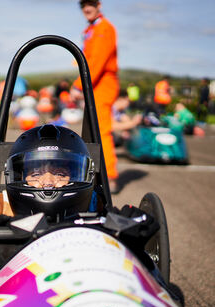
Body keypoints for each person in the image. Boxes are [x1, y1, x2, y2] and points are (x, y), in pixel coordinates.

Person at [0, 124, 97, 223]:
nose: (48, 183)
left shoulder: (96, 205)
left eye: (60, 174)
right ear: (20, 177)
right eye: (36, 175)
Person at [70, 0, 120, 193]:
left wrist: (78, 85)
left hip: (102, 82)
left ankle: (110, 177)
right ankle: (95, 174)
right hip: (94, 82)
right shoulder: (93, 28)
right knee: (92, 130)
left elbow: (97, 61)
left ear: (98, 4)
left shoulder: (103, 28)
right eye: (83, 5)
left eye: (90, 3)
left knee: (102, 131)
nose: (86, 8)